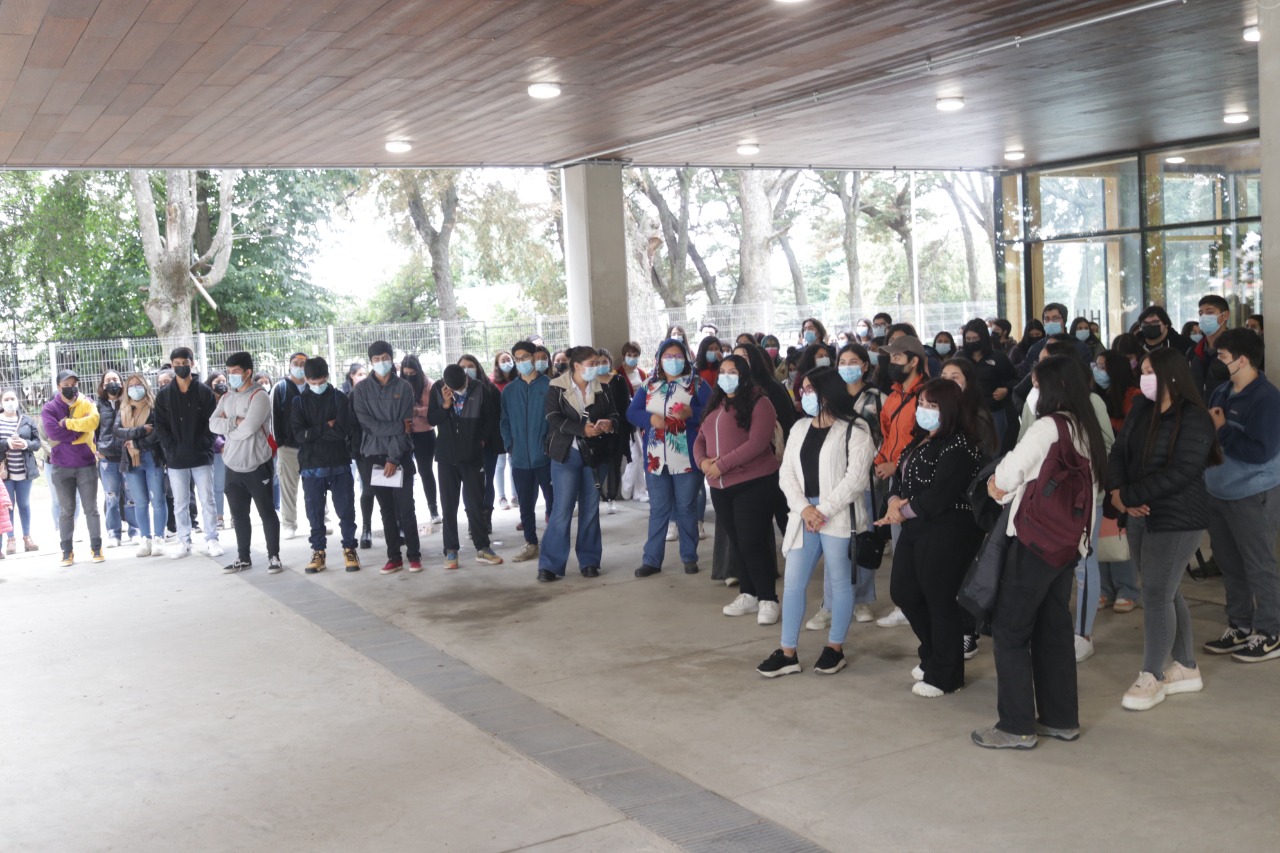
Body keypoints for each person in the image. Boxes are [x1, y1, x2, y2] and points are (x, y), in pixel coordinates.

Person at [972, 355, 1110, 749]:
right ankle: (1061, 718)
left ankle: (1015, 726)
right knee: (1053, 629)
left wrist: (1000, 488)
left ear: (1051, 389)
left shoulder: (1047, 427)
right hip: (1068, 544)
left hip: (1033, 542)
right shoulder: (1086, 427)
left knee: (1010, 631)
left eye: (1035, 384)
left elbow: (1007, 474)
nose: (1031, 391)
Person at [1108, 348, 1220, 711]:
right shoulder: (1141, 408)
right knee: (1166, 591)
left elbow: (1182, 473)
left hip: (1178, 517)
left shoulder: (1195, 418)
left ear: (1172, 375)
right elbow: (1118, 454)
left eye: (1151, 371)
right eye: (1142, 371)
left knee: (1156, 592)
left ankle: (1151, 675)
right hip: (1140, 513)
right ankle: (1186, 666)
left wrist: (1130, 494)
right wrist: (1119, 496)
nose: (1144, 378)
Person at [756, 367, 873, 677]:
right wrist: (805, 508)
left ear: (827, 392)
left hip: (837, 515)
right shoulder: (799, 428)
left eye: (810, 389)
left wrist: (825, 509)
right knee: (794, 583)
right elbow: (787, 473)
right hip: (804, 515)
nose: (803, 395)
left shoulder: (856, 429)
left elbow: (856, 479)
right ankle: (787, 652)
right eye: (803, 389)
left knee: (838, 583)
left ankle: (835, 648)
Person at [878, 379, 985, 697]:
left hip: (949, 528)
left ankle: (947, 674)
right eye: (921, 404)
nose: (923, 410)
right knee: (905, 592)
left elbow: (938, 496)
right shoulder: (920, 440)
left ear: (949, 409)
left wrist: (901, 512)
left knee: (939, 599)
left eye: (932, 405)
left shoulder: (961, 446)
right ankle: (935, 652)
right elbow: (900, 475)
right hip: (916, 526)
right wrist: (893, 501)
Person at [1203, 329, 1280, 663]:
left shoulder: (1266, 399)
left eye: (1222, 357)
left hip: (1253, 493)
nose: (1217, 362)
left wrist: (1221, 432)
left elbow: (1261, 452)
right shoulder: (1221, 391)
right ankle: (1240, 625)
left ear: (1242, 360)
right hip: (1218, 489)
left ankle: (1270, 631)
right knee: (1230, 564)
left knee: (1259, 563)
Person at [694, 354, 781, 619]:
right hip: (720, 486)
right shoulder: (716, 404)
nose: (726, 376)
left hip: (753, 482)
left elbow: (757, 443)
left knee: (752, 541)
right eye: (722, 371)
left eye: (733, 371)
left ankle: (768, 598)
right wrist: (703, 462)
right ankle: (749, 593)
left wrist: (722, 464)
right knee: (738, 542)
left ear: (744, 374)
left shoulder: (760, 402)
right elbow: (700, 438)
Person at [804, 344, 880, 627]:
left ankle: (861, 599)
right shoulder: (825, 399)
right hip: (828, 485)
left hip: (864, 481)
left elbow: (878, 437)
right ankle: (830, 603)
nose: (847, 367)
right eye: (842, 361)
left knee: (860, 543)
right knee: (834, 547)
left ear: (864, 366)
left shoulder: (874, 398)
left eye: (853, 361)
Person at [628, 337, 710, 578]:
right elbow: (632, 412)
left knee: (686, 508)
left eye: (678, 357)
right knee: (658, 510)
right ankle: (651, 560)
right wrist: (649, 419)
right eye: (668, 357)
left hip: (687, 457)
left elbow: (714, 411)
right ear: (659, 360)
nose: (673, 361)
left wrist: (692, 413)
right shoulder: (648, 385)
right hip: (655, 458)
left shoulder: (697, 384)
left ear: (685, 359)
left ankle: (689, 557)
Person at [537, 346, 618, 581]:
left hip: (596, 456)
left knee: (591, 509)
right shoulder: (556, 387)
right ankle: (550, 565)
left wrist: (607, 424)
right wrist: (581, 429)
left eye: (598, 363)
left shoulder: (603, 387)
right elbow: (553, 418)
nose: (597, 367)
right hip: (566, 454)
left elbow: (615, 415)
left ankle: (590, 561)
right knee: (562, 509)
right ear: (577, 366)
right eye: (592, 363)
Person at [871, 335, 928, 628]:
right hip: (894, 476)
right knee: (900, 542)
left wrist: (897, 464)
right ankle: (906, 604)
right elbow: (889, 434)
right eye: (890, 358)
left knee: (914, 545)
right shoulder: (894, 395)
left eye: (897, 358)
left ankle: (913, 603)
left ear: (914, 361)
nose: (891, 363)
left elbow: (925, 438)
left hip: (916, 477)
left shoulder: (926, 396)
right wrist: (881, 459)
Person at [354, 341, 424, 574]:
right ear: (370, 362)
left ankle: (414, 556)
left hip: (400, 454)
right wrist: (396, 426)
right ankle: (394, 557)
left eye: (385, 358)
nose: (381, 362)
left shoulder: (404, 387)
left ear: (391, 359)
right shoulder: (361, 389)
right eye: (376, 359)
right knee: (386, 510)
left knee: (407, 508)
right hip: (373, 455)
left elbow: (406, 429)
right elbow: (368, 425)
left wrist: (393, 459)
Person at [210, 351, 283, 574]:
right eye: (229, 371)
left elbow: (250, 428)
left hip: (257, 464)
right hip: (232, 465)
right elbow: (213, 424)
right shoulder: (226, 398)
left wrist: (229, 429)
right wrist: (234, 422)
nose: (231, 376)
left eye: (236, 372)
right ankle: (244, 557)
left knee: (266, 511)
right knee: (238, 515)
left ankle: (274, 556)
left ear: (248, 372)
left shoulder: (259, 396)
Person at [428, 363, 501, 569]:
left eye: (460, 387)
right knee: (449, 506)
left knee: (475, 504)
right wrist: (445, 405)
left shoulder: (479, 388)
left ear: (466, 378)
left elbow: (490, 419)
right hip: (446, 458)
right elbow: (431, 419)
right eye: (454, 389)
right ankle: (451, 551)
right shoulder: (437, 389)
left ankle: (482, 547)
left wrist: (481, 440)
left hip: (473, 457)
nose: (457, 392)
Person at [291, 356, 360, 574]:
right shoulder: (298, 402)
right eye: (312, 383)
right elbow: (299, 436)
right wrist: (324, 427)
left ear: (327, 377)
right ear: (306, 380)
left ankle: (350, 549)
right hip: (311, 466)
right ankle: (318, 552)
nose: (317, 386)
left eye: (320, 382)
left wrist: (314, 432)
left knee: (346, 510)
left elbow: (341, 431)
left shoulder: (340, 399)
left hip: (339, 463)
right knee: (315, 513)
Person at [154, 347, 222, 560]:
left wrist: (204, 444)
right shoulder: (164, 395)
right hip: (175, 459)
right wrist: (170, 446)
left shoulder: (204, 392)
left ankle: (212, 538)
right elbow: (160, 425)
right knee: (180, 502)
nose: (180, 367)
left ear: (192, 364)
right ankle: (184, 541)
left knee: (207, 499)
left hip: (201, 456)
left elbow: (213, 423)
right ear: (172, 365)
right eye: (176, 363)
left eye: (184, 362)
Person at [1092, 350, 1142, 613]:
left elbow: (1130, 432)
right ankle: (1104, 588)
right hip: (1098, 468)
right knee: (1098, 529)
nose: (1098, 371)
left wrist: (1105, 422)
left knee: (1119, 530)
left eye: (1103, 366)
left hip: (1124, 469)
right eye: (1096, 365)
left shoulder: (1133, 396)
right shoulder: (1094, 395)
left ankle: (1127, 588)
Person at [502, 340, 555, 563]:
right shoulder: (509, 390)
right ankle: (531, 543)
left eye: (525, 357)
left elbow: (556, 421)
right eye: (518, 359)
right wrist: (510, 446)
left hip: (546, 457)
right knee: (525, 504)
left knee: (553, 501)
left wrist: (550, 446)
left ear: (535, 357)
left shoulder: (550, 386)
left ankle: (553, 542)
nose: (522, 362)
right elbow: (503, 421)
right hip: (520, 458)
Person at [43, 369, 104, 565]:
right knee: (66, 511)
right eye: (66, 385)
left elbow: (93, 422)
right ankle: (66, 551)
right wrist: (79, 432)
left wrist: (68, 424)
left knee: (91, 509)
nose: (70, 388)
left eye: (73, 384)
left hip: (86, 464)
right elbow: (54, 433)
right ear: (58, 386)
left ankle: (96, 548)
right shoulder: (50, 408)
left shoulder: (87, 402)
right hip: (61, 467)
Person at [115, 373, 166, 558]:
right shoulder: (123, 409)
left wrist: (136, 443)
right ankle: (146, 538)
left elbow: (157, 433)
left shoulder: (154, 406)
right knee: (140, 502)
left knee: (157, 500)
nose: (135, 389)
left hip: (152, 458)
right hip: (131, 461)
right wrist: (140, 430)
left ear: (145, 386)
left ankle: (159, 537)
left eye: (138, 385)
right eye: (131, 385)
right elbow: (117, 431)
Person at [95, 369, 137, 547]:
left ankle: (135, 530)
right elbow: (92, 430)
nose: (112, 382)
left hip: (127, 455)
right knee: (111, 496)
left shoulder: (129, 402)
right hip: (107, 458)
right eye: (108, 380)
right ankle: (114, 533)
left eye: (115, 379)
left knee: (131, 495)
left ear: (121, 383)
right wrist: (96, 449)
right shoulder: (97, 405)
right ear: (103, 385)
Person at [959, 319, 1017, 442]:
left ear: (983, 337)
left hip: (993, 411)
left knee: (993, 449)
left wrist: (1006, 389)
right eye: (968, 339)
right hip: (966, 411)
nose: (971, 342)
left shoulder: (998, 357)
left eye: (974, 338)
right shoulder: (959, 357)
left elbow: (1015, 380)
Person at [272, 351, 309, 540]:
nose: (300, 367)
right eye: (296, 363)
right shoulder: (281, 388)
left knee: (315, 485)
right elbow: (274, 417)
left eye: (303, 363)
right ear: (289, 365)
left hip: (311, 446)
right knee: (287, 488)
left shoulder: (314, 386)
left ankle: (321, 520)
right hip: (288, 447)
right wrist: (279, 444)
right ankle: (289, 524)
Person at [402, 355, 441, 528]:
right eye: (406, 373)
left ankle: (433, 510)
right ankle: (406, 513)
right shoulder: (399, 384)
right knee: (405, 474)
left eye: (412, 374)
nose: (408, 376)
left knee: (425, 472)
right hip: (404, 434)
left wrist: (418, 411)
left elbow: (436, 409)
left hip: (425, 433)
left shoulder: (429, 385)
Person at [0, 389, 40, 554]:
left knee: (24, 504)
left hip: (24, 470)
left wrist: (25, 444)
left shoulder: (26, 420)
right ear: (2, 402)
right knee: (8, 506)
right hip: (5, 472)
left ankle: (27, 537)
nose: (10, 402)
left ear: (17, 400)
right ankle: (10, 540)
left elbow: (37, 443)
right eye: (6, 399)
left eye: (13, 398)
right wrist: (6, 443)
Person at [343, 361, 378, 547]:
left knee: (392, 488)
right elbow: (351, 425)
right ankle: (366, 528)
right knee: (369, 489)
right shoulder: (354, 395)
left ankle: (398, 525)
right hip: (363, 449)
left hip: (385, 447)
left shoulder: (384, 393)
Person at [595, 348, 630, 514]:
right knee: (596, 464)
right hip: (595, 431)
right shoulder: (590, 382)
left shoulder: (618, 380)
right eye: (598, 362)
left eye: (604, 362)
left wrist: (615, 424)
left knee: (614, 465)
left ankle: (611, 498)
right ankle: (595, 496)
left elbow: (625, 406)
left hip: (616, 430)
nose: (601, 365)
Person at [1017, 304, 1090, 375]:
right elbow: (1027, 374)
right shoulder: (1036, 348)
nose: (1050, 322)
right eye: (1047, 319)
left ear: (1064, 321)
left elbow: (1086, 374)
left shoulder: (1079, 346)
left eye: (1055, 318)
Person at [618, 341, 649, 503]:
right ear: (624, 355)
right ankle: (627, 485)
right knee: (636, 455)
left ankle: (640, 491)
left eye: (635, 355)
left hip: (640, 418)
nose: (632, 358)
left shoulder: (643, 374)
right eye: (629, 355)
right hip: (626, 420)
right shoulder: (618, 373)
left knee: (642, 455)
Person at [1187, 294, 1233, 402]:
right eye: (1201, 313)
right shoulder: (1193, 352)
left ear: (1225, 315)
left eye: (1210, 312)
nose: (1204, 317)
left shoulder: (1236, 349)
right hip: (1197, 413)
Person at [491, 351, 517, 512]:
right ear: (497, 364)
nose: (507, 362)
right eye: (503, 360)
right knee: (500, 463)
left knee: (514, 461)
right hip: (499, 426)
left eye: (509, 359)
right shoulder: (492, 382)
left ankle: (515, 495)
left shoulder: (518, 379)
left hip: (516, 425)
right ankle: (501, 496)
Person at [206, 371, 229, 530]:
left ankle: (237, 515)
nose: (221, 384)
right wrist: (221, 444)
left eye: (223, 380)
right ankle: (219, 517)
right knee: (218, 486)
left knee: (235, 485)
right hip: (218, 451)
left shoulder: (232, 399)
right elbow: (208, 427)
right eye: (217, 381)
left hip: (235, 448)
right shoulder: (207, 402)